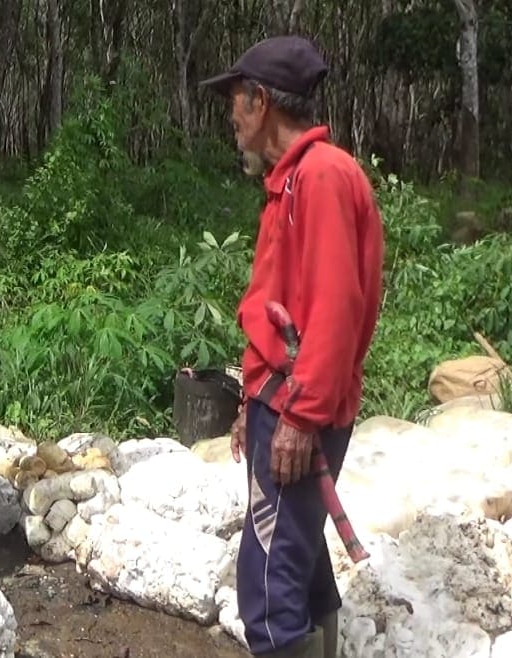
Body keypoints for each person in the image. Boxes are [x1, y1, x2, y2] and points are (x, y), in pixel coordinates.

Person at [199, 36, 385, 658]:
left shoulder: (322, 177)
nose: (230, 115)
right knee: (300, 564)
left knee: (268, 588)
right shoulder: (294, 181)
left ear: (261, 101)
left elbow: (335, 309)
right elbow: (284, 309)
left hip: (299, 407)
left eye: (235, 100)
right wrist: (251, 402)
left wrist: (301, 417)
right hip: (279, 400)